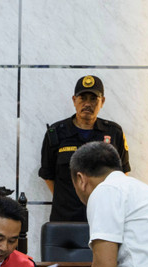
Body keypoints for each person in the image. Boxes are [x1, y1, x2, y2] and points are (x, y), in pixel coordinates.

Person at [39, 75, 130, 222]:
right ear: (74, 100)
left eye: (93, 99)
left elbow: (123, 173)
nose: (87, 104)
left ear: (102, 102)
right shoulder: (56, 133)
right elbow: (48, 175)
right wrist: (69, 199)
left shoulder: (114, 133)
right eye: (83, 98)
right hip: (65, 219)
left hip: (104, 217)